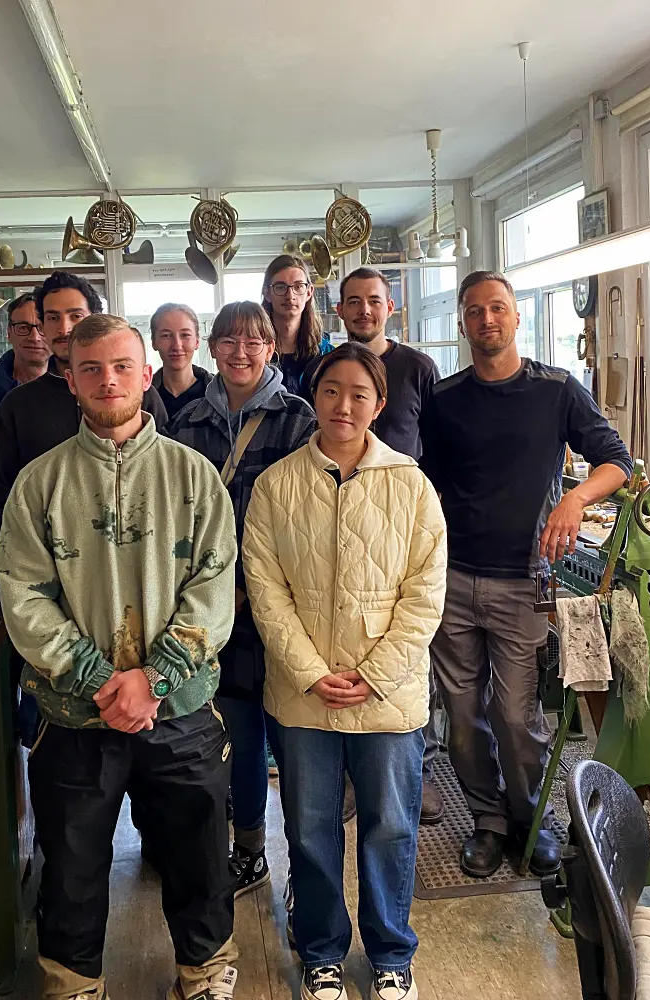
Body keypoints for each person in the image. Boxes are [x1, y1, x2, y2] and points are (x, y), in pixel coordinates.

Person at [0, 314, 239, 1000]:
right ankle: (73, 983)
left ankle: (206, 973)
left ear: (146, 372)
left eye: (123, 366)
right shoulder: (38, 486)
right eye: (92, 368)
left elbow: (216, 590)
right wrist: (105, 681)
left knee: (198, 861)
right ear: (69, 379)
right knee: (71, 869)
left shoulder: (195, 479)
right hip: (75, 715)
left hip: (182, 711)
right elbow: (26, 599)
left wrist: (156, 678)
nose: (109, 380)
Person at [244, 342, 446, 1000]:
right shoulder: (278, 485)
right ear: (315, 396)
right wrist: (308, 670)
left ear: (379, 405)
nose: (344, 405)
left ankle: (392, 952)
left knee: (391, 824)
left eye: (360, 394)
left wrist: (377, 672)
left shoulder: (411, 486)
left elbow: (424, 596)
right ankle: (321, 950)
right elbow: (265, 592)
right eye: (332, 391)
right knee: (308, 825)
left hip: (389, 696)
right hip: (303, 698)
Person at [419, 270, 633, 880]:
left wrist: (573, 501)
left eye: (498, 309)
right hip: (453, 578)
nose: (487, 320)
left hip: (523, 579)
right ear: (463, 324)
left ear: (517, 318)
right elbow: (422, 481)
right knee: (462, 718)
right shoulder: (445, 400)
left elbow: (615, 461)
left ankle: (530, 818)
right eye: (474, 311)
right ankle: (488, 819)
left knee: (516, 715)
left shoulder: (558, 390)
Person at [165, 301, 317, 898]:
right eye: (229, 342)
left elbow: (312, 519)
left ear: (271, 348)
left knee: (297, 741)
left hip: (284, 605)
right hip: (214, 610)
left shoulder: (298, 419)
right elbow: (175, 516)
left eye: (254, 342)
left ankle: (309, 862)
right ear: (212, 350)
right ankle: (249, 850)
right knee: (240, 736)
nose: (241, 352)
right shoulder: (188, 424)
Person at [304, 267, 444, 823]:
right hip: (338, 511)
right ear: (339, 310)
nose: (364, 310)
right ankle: (343, 780)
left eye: (374, 301)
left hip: (400, 514)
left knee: (405, 655)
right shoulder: (330, 366)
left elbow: (439, 443)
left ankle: (419, 771)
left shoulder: (419, 367)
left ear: (392, 306)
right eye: (353, 301)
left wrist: (418, 504)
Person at [0, 271, 167, 546]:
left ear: (94, 318)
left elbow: (165, 476)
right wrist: (32, 560)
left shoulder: (137, 395)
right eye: (53, 318)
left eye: (75, 316)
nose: (64, 328)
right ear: (41, 325)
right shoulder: (17, 407)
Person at [261, 254, 332, 397]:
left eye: (298, 286)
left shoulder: (327, 355)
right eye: (280, 287)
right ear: (267, 293)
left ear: (309, 292)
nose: (290, 295)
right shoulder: (253, 350)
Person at [150, 302, 213, 419]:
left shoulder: (220, 395)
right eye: (166, 335)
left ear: (197, 341)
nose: (177, 345)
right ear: (154, 342)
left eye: (185, 335)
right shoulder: (139, 398)